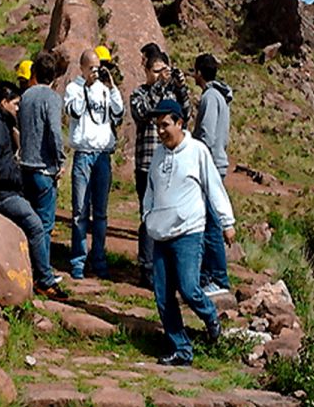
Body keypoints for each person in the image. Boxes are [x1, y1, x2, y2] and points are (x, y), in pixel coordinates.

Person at [143, 100, 236, 367]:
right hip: (161, 233)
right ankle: (181, 349)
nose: (160, 131)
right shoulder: (159, 154)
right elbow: (151, 189)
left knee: (188, 287)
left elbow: (214, 187)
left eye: (165, 125)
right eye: (157, 126)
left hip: (188, 232)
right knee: (162, 295)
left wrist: (227, 222)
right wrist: (147, 215)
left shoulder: (198, 151)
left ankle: (210, 317)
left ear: (180, 123)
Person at [0, 80, 67, 299]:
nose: (18, 108)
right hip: (0, 194)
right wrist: (19, 178)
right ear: (4, 102)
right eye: (15, 104)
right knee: (36, 225)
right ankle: (44, 280)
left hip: (2, 190)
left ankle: (38, 272)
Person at [129, 43, 192, 288]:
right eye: (156, 71)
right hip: (147, 165)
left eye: (164, 70)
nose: (160, 75)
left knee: (171, 214)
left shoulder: (172, 94)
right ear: (146, 70)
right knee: (148, 217)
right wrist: (159, 85)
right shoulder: (140, 93)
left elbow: (186, 114)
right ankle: (146, 268)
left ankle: (168, 268)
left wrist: (181, 88)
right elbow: (143, 112)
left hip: (172, 165)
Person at [64, 48, 124, 279]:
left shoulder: (105, 89)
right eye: (91, 68)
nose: (95, 72)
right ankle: (78, 260)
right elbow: (75, 112)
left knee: (100, 212)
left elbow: (119, 112)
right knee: (80, 211)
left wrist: (112, 86)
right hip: (83, 155)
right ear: (82, 67)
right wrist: (85, 87)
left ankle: (99, 259)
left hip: (102, 157)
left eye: (98, 68)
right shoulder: (73, 88)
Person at [18, 52, 65, 290]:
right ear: (54, 76)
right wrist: (60, 161)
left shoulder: (25, 96)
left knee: (30, 223)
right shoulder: (52, 98)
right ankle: (43, 276)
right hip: (44, 169)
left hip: (25, 166)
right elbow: (55, 133)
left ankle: (30, 270)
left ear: (34, 73)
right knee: (44, 226)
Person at [192, 53, 234, 296]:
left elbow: (206, 134)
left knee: (211, 223)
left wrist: (196, 157)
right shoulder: (221, 96)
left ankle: (217, 278)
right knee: (210, 220)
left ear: (199, 72)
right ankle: (209, 276)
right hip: (219, 162)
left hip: (210, 166)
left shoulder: (209, 96)